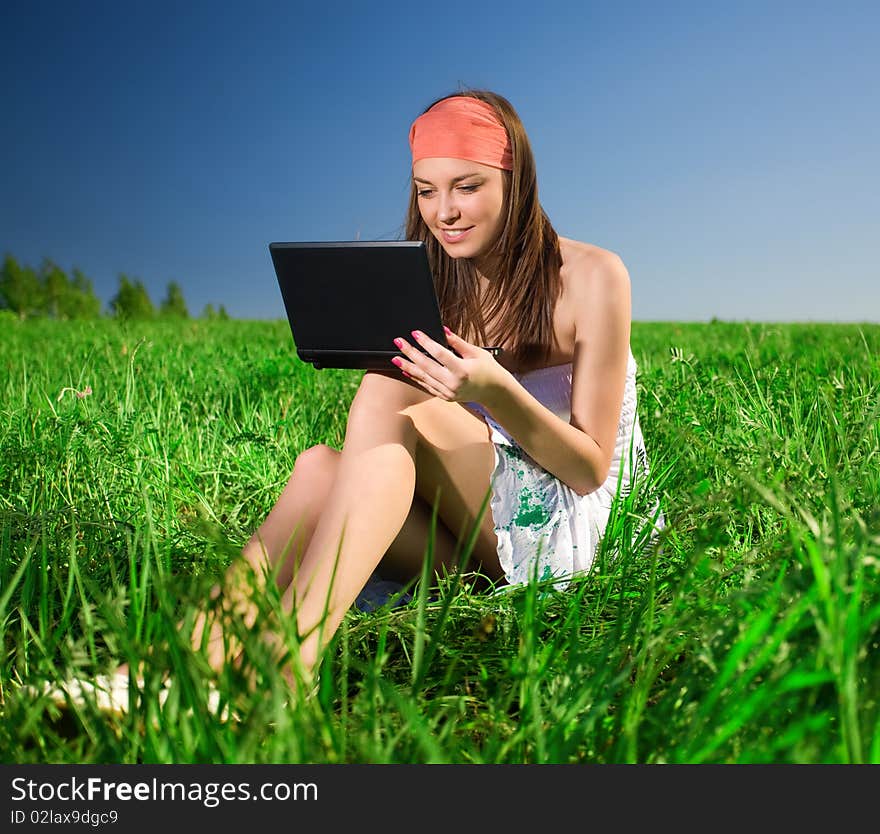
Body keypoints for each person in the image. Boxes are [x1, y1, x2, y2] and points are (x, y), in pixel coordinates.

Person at [185, 89, 661, 695]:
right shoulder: (431, 281)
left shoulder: (593, 277)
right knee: (319, 471)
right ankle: (178, 661)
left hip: (567, 526)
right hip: (478, 533)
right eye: (426, 190)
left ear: (516, 182)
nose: (445, 212)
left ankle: (287, 661)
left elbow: (590, 469)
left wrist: (497, 390)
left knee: (390, 390)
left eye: (467, 186)